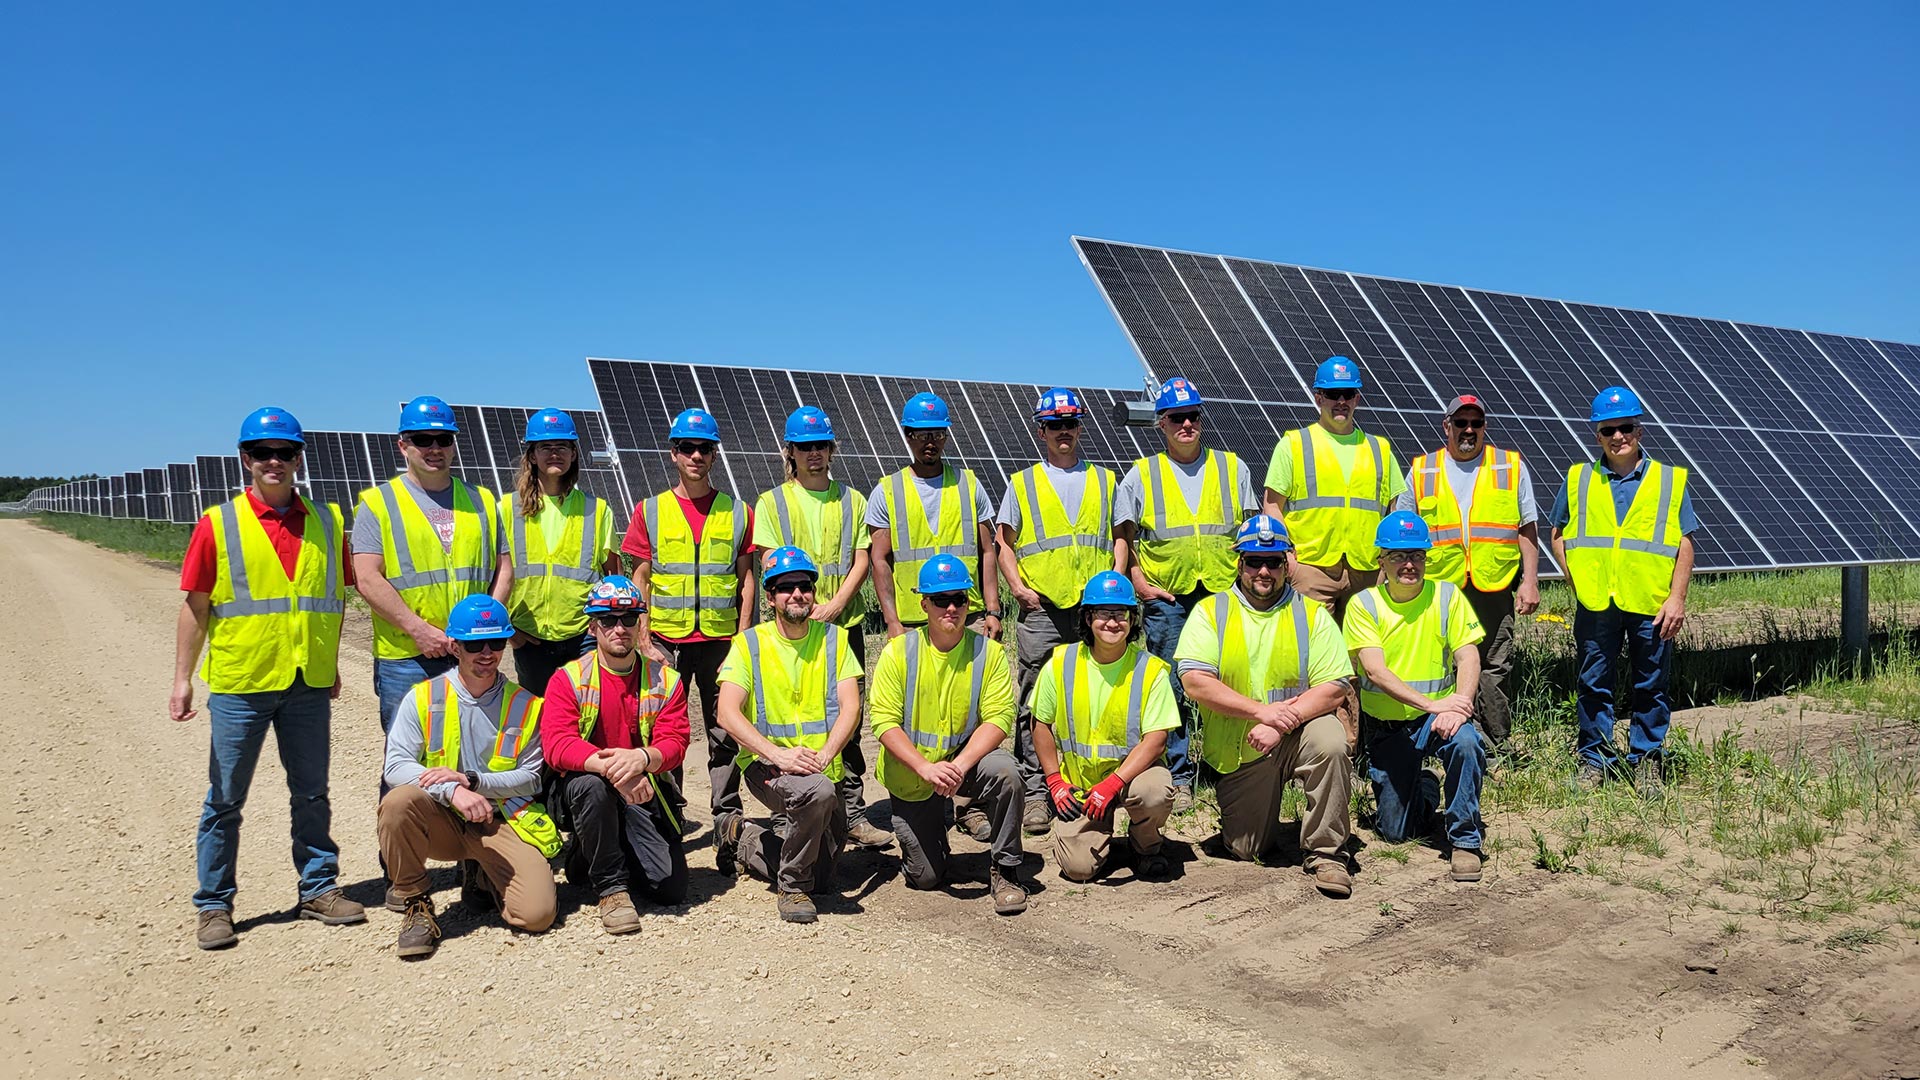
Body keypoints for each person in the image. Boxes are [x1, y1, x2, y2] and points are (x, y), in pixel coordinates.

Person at [171, 407, 363, 950]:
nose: (274, 461)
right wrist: (182, 678)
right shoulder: (219, 523)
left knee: (312, 793)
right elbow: (196, 606)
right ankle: (214, 906)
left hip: (307, 682)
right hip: (241, 683)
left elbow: (331, 600)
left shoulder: (327, 521)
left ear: (300, 458)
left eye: (285, 452)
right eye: (262, 452)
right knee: (226, 798)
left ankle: (318, 888)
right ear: (246, 459)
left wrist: (328, 664)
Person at [1174, 516, 1356, 897]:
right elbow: (1194, 681)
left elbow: (1335, 686)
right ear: (1239, 564)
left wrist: (1280, 722)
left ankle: (1327, 853)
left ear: (1287, 564)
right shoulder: (1211, 612)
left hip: (1298, 734)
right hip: (1243, 749)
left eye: (1273, 561)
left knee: (1331, 741)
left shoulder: (1312, 615)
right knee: (1247, 849)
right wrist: (1262, 713)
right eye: (1254, 560)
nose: (1263, 570)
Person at [378, 595, 559, 960]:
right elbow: (395, 766)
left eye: (496, 642)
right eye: (475, 644)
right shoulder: (424, 697)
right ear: (455, 646)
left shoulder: (526, 704)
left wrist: (474, 782)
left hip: (500, 818)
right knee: (397, 803)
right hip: (442, 818)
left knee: (537, 915)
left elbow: (532, 778)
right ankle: (416, 903)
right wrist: (452, 791)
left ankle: (480, 872)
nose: (486, 653)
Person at [1112, 376, 1259, 812]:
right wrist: (1137, 582)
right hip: (1169, 598)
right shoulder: (1142, 474)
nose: (1186, 424)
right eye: (1177, 417)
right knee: (1170, 687)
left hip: (1223, 594)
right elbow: (1126, 536)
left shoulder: (1233, 467)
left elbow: (1251, 531)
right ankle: (1178, 773)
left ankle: (1224, 763)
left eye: (1193, 415)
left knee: (1228, 681)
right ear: (1161, 423)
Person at [753, 406, 893, 850]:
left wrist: (834, 605)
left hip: (840, 624)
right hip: (791, 627)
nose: (814, 454)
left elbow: (862, 559)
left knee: (845, 722)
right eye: (804, 447)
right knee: (794, 714)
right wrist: (801, 607)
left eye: (821, 446)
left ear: (832, 450)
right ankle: (799, 799)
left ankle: (850, 812)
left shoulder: (852, 500)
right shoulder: (771, 502)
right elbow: (769, 563)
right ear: (789, 452)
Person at [1550, 386, 1698, 795]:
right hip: (1596, 601)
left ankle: (1646, 760)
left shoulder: (1669, 480)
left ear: (1640, 430)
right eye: (1608, 429)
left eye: (1626, 427)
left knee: (1651, 684)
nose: (1618, 437)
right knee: (1593, 682)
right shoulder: (1579, 477)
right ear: (1597, 434)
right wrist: (1573, 575)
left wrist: (1677, 598)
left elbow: (1685, 542)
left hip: (1651, 601)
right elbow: (1558, 532)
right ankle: (1594, 759)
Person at [711, 547, 863, 924]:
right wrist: (777, 756)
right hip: (768, 768)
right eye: (785, 588)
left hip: (822, 767)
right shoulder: (749, 644)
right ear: (770, 596)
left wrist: (827, 754)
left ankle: (741, 837)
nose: (796, 594)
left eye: (804, 586)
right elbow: (726, 713)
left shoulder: (834, 639)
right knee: (818, 795)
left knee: (825, 877)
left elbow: (851, 707)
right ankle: (792, 887)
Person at [869, 555, 1028, 914]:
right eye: (941, 600)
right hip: (914, 775)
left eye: (960, 598)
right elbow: (883, 721)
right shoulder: (898, 653)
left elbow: (1000, 716)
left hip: (964, 766)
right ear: (923, 603)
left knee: (1008, 772)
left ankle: (1005, 868)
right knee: (925, 876)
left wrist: (959, 766)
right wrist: (926, 768)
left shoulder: (989, 654)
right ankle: (932, 828)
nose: (952, 608)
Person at [622, 407, 758, 825]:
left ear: (714, 454)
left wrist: (743, 634)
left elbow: (746, 578)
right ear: (673, 453)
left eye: (704, 448)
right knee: (667, 731)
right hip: (666, 641)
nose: (696, 456)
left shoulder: (738, 512)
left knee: (725, 729)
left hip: (719, 641)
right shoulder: (650, 510)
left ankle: (727, 814)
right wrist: (644, 641)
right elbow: (640, 578)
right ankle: (670, 813)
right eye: (687, 448)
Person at [1261, 357, 1406, 745]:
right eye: (1332, 394)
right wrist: (1287, 557)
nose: (1340, 402)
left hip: (1365, 568)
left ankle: (1357, 745)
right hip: (1311, 565)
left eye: (1348, 394)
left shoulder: (1379, 448)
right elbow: (1273, 505)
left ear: (1358, 397)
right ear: (1318, 397)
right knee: (1311, 659)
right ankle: (1310, 745)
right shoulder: (1294, 443)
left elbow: (1395, 509)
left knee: (1362, 657)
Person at [352, 395, 511, 744]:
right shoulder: (378, 503)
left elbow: (504, 567)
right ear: (403, 446)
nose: (434, 448)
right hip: (408, 657)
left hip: (470, 651)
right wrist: (419, 630)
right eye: (423, 440)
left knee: (475, 748)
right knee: (408, 758)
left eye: (444, 439)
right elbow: (366, 577)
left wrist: (484, 630)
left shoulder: (482, 500)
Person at [539, 577, 692, 933]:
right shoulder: (569, 679)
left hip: (643, 789)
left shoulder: (665, 680)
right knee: (591, 786)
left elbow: (676, 742)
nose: (618, 628)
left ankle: (589, 851)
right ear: (593, 626)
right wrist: (616, 770)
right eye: (608, 620)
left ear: (640, 623)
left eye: (628, 618)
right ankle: (611, 889)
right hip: (592, 787)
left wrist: (640, 759)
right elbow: (557, 744)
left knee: (669, 890)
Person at [997, 387, 1117, 838]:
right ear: (1041, 430)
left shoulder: (1106, 481)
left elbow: (1120, 538)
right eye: (1054, 424)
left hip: (1091, 610)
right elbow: (1004, 543)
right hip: (1043, 609)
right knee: (1035, 701)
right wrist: (1018, 589)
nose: (1062, 431)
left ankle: (1082, 783)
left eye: (1069, 422)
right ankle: (1035, 794)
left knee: (1089, 694)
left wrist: (1115, 589)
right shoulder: (1022, 482)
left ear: (1079, 426)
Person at [1344, 512, 1488, 883]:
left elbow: (1468, 654)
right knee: (1395, 833)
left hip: (1438, 721)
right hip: (1388, 727)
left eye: (1417, 555)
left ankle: (1465, 840)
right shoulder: (1364, 605)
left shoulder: (1446, 595)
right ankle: (1424, 787)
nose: (1409, 564)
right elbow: (1374, 670)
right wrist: (1433, 704)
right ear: (1382, 562)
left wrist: (1460, 704)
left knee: (1467, 743)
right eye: (1398, 556)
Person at [1394, 395, 1540, 747]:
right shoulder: (1423, 469)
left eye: (1476, 423)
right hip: (1441, 587)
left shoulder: (1510, 466)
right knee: (1441, 665)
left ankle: (1495, 744)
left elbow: (1527, 527)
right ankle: (1447, 740)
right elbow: (1402, 529)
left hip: (1494, 584)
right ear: (1447, 426)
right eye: (1461, 423)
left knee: (1493, 666)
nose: (1469, 430)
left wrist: (1530, 581)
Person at [1029, 571, 1178, 884]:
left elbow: (1157, 740)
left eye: (1120, 613)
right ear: (1087, 618)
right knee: (1077, 869)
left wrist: (1112, 784)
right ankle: (1096, 837)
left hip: (1132, 777)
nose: (1113, 622)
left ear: (1132, 618)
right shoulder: (1061, 661)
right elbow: (1039, 723)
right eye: (1103, 613)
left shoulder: (1150, 669)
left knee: (1154, 793)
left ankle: (1146, 847)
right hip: (1081, 785)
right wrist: (1054, 781)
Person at [502, 407, 620, 697]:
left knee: (588, 716)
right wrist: (511, 633)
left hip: (583, 636)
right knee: (540, 721)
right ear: (532, 455)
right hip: (530, 639)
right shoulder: (506, 509)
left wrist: (600, 624)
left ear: (574, 453)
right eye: (546, 446)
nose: (555, 453)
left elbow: (613, 576)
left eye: (562, 446)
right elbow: (491, 575)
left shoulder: (597, 509)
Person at [867, 390, 1002, 641]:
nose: (930, 442)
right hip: (912, 621)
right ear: (908, 436)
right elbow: (879, 560)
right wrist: (892, 621)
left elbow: (987, 552)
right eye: (922, 434)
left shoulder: (969, 485)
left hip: (966, 616)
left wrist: (993, 610)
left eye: (938, 434)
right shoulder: (887, 491)